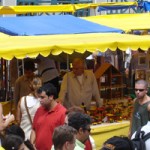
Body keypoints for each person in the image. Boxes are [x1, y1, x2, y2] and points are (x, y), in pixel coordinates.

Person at [30, 83, 66, 150]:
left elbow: (65, 137)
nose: (40, 100)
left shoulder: (62, 113)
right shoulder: (39, 110)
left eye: (42, 97)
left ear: (51, 97)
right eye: (39, 97)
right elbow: (34, 129)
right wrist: (31, 144)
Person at [16, 76, 42, 140]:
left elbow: (18, 120)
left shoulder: (22, 100)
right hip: (37, 136)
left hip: (23, 135)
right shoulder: (42, 102)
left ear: (30, 87)